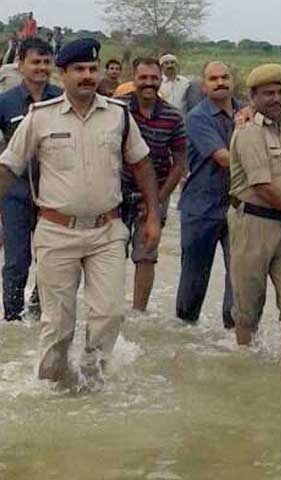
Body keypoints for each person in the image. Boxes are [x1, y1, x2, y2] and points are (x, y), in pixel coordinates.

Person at [0, 38, 161, 384]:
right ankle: (50, 392)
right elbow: (9, 166)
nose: (88, 76)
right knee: (57, 325)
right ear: (64, 74)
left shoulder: (118, 116)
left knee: (110, 314)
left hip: (107, 232)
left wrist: (153, 215)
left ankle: (92, 382)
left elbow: (142, 163)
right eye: (79, 70)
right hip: (57, 232)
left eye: (92, 69)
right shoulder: (40, 118)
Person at [228, 63, 281, 357]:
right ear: (253, 97)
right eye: (268, 94)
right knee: (248, 306)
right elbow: (261, 185)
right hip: (253, 223)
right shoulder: (248, 131)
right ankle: (246, 365)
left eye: (280, 91)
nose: (276, 98)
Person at [0, 37, 62, 322]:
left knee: (52, 260)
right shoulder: (5, 102)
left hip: (55, 191)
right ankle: (13, 320)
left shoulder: (62, 98)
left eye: (46, 62)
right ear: (21, 64)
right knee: (16, 260)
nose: (41, 67)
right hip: (16, 191)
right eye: (35, 62)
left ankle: (38, 314)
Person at [117, 57, 186, 312]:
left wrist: (156, 201)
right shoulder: (117, 109)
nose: (148, 83)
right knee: (111, 253)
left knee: (146, 255)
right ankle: (110, 310)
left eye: (153, 78)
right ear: (133, 79)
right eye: (143, 78)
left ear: (160, 80)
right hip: (117, 192)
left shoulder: (173, 116)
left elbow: (179, 163)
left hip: (157, 191)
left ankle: (138, 314)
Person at [176, 62, 241, 328]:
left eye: (225, 77)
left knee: (238, 277)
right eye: (213, 79)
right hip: (201, 208)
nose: (220, 82)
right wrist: (263, 159)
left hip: (238, 206)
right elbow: (223, 158)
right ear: (204, 86)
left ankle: (235, 339)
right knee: (193, 282)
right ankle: (183, 340)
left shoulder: (246, 112)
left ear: (233, 81)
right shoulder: (197, 117)